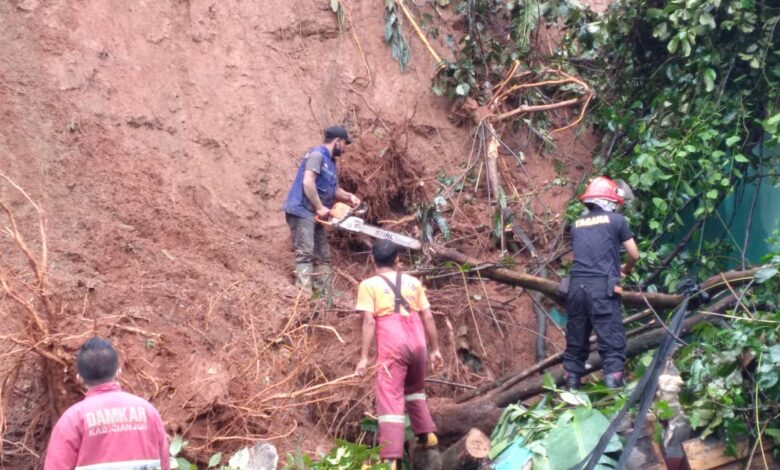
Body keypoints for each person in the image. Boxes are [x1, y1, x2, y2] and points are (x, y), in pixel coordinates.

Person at [354, 239, 444, 468]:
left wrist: (364, 357)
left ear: (372, 259)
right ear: (397, 261)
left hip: (394, 346)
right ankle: (426, 435)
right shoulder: (414, 283)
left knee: (390, 398)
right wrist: (434, 349)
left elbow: (368, 322)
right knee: (414, 391)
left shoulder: (368, 285)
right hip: (418, 342)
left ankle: (390, 459)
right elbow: (429, 317)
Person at [44, 337, 170, 470]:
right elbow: (164, 465)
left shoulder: (72, 420)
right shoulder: (149, 412)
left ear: (79, 378)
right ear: (118, 371)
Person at [564, 176, 640, 389]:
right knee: (612, 346)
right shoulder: (617, 221)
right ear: (608, 201)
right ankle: (615, 402)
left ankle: (570, 398)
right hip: (602, 290)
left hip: (576, 287)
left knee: (575, 345)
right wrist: (624, 270)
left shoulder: (576, 224)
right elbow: (634, 254)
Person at [283, 126, 361, 291]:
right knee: (306, 252)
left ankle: (323, 294)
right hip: (302, 209)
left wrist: (349, 197)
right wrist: (319, 207)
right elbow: (308, 182)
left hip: (315, 213)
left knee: (323, 256)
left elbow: (335, 189)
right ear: (338, 141)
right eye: (345, 144)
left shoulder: (331, 163)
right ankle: (303, 294)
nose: (345, 148)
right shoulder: (317, 155)